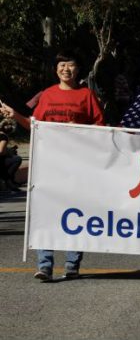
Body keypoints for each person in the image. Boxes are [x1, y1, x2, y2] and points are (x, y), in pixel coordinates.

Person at [0, 50, 104, 282]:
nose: (66, 69)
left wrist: (79, 130)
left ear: (79, 70)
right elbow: (34, 125)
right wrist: (15, 114)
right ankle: (44, 265)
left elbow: (100, 129)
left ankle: (72, 263)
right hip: (49, 164)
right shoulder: (47, 95)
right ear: (56, 69)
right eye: (62, 65)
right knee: (46, 212)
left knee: (76, 213)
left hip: (79, 165)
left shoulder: (87, 95)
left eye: (71, 65)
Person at [0, 118, 22, 191]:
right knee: (17, 159)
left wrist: (9, 150)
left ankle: (10, 180)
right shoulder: (3, 136)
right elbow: (1, 151)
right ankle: (7, 180)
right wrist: (9, 152)